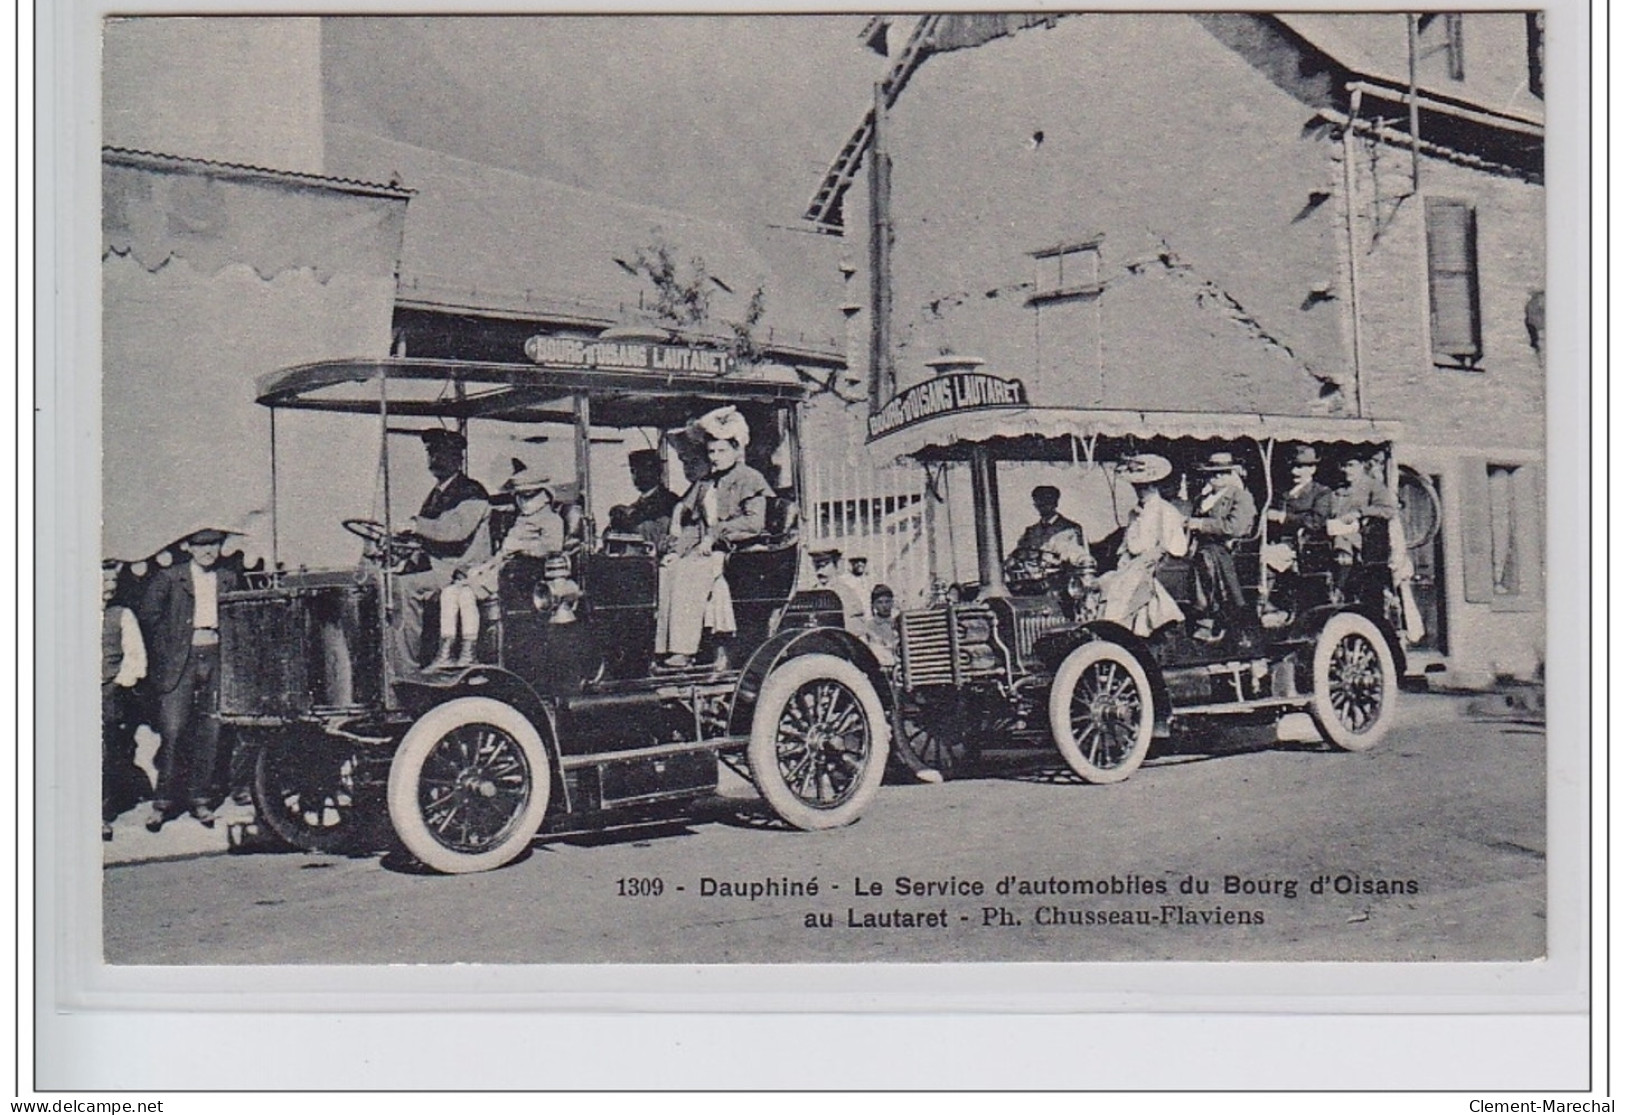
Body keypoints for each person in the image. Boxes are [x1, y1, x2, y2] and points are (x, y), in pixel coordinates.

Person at [140, 528, 243, 831]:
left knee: (211, 729)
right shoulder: (170, 577)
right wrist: (171, 648)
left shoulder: (227, 578)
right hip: (180, 663)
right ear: (188, 547)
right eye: (202, 546)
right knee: (173, 730)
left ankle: (200, 799)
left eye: (214, 544)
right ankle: (163, 803)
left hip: (215, 656)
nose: (208, 551)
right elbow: (149, 617)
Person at [655, 406, 773, 669]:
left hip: (734, 550)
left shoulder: (750, 479)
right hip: (704, 547)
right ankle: (663, 647)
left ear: (736, 450)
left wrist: (714, 534)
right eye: (711, 452)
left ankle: (684, 650)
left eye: (721, 451)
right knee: (668, 568)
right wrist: (675, 538)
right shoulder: (706, 482)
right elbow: (686, 508)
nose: (715, 457)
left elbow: (754, 523)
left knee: (689, 570)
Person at [382, 429, 491, 678]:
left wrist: (415, 525)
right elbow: (427, 534)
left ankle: (406, 672)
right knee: (383, 580)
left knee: (403, 586)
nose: (435, 459)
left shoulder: (472, 492)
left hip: (462, 571)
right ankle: (389, 666)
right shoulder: (437, 494)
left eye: (442, 453)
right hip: (439, 566)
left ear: (458, 457)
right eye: (431, 453)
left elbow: (455, 530)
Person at [433, 461, 563, 668]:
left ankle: (468, 653)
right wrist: (483, 567)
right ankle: (445, 652)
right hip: (500, 569)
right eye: (520, 496)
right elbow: (502, 553)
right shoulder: (520, 521)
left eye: (528, 496)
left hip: (523, 574)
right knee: (449, 593)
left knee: (466, 595)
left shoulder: (551, 520)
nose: (523, 502)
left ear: (543, 495)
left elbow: (553, 548)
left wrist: (523, 549)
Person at [1096, 455, 1189, 636]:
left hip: (1152, 564)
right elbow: (1127, 543)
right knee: (1105, 582)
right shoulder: (1134, 512)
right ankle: (1106, 630)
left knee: (1126, 585)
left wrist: (1153, 555)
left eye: (1146, 486)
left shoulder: (1166, 511)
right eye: (1137, 486)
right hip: (1130, 562)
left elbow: (1176, 547)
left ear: (1155, 486)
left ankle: (1121, 631)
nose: (1141, 490)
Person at [1186, 450, 1258, 637]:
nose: (1217, 476)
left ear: (1231, 474)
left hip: (1226, 549)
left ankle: (1210, 617)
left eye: (1224, 472)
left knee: (1206, 557)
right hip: (1199, 546)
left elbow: (1235, 527)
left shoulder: (1240, 497)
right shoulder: (1202, 499)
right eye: (1212, 472)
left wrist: (1201, 524)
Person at [102, 559, 148, 840]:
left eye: (113, 584)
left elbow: (135, 657)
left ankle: (100, 814)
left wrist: (118, 684)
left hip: (107, 693)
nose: (109, 589)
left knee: (105, 754)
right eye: (103, 583)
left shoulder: (122, 615)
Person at [1324, 450, 1399, 564]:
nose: (1346, 470)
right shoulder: (1338, 487)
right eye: (1343, 466)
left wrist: (1360, 513)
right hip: (1334, 532)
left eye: (1351, 465)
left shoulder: (1373, 485)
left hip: (1362, 537)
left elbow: (1388, 510)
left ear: (1362, 465)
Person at [606, 449, 679, 546]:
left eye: (644, 469)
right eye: (633, 470)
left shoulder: (669, 500)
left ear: (657, 472)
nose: (637, 475)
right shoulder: (637, 504)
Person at [1011, 485, 1084, 558]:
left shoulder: (1071, 528)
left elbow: (1077, 557)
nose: (1042, 506)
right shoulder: (1030, 532)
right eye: (1039, 502)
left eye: (1047, 502)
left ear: (1055, 503)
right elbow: (1018, 554)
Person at [861, 583, 901, 666]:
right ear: (874, 605)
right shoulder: (868, 626)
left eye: (887, 601)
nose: (884, 606)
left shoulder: (899, 623)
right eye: (880, 602)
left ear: (892, 602)